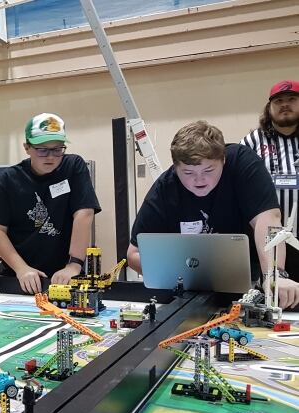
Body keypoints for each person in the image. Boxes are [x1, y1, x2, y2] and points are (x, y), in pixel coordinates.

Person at [127, 120, 299, 309]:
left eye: (208, 170)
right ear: (175, 167)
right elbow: (134, 254)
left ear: (223, 160)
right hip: (189, 291)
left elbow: (268, 219)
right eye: (188, 172)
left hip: (250, 280)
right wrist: (181, 276)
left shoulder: (242, 162)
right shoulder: (165, 188)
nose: (199, 180)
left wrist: (275, 275)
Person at [0, 113, 100, 294]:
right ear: (27, 147)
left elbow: (84, 213)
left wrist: (74, 265)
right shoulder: (9, 179)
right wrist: (21, 268)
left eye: (57, 149)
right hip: (17, 277)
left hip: (65, 275)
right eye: (42, 149)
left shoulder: (73, 166)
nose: (50, 157)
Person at [240, 80, 299, 278]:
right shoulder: (252, 141)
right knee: (272, 296)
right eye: (278, 100)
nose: (285, 104)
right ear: (269, 107)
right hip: (265, 242)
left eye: (292, 99)